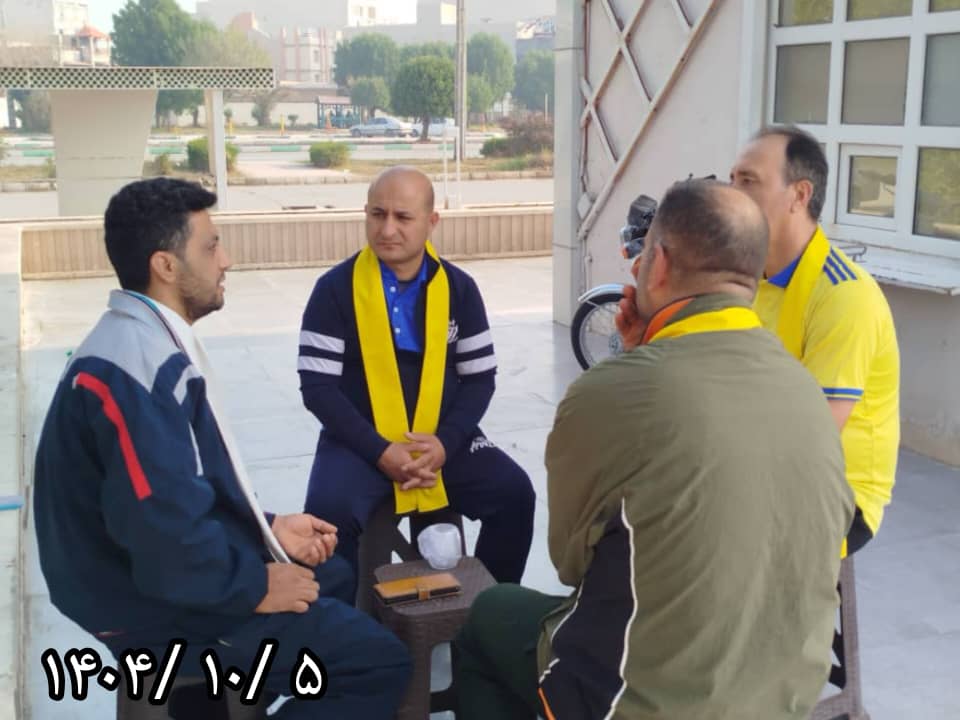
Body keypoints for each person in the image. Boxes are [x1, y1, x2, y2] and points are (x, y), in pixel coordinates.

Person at [454, 180, 854, 720]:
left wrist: (634, 361)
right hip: (784, 696)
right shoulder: (805, 388)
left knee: (488, 617)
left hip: (641, 703)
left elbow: (571, 563)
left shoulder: (610, 392)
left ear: (657, 263)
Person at [33, 178, 411, 718]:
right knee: (377, 663)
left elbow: (179, 490)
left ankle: (224, 701)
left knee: (331, 574)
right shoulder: (134, 372)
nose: (226, 259)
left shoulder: (143, 337)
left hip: (149, 566)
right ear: (166, 266)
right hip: (140, 601)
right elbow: (162, 537)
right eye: (211, 247)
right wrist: (255, 585)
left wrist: (267, 528)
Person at [298, 166, 535, 587]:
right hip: (359, 442)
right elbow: (318, 389)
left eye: (403, 217)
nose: (387, 229)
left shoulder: (459, 289)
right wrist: (379, 451)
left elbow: (479, 379)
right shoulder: (334, 289)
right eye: (377, 214)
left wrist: (446, 442)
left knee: (515, 494)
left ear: (431, 221)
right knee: (326, 519)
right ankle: (344, 623)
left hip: (441, 441)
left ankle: (490, 609)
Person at [731, 126, 900, 554]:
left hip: (835, 495)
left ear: (799, 195)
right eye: (732, 179)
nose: (732, 195)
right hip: (761, 465)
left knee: (694, 535)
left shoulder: (844, 296)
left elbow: (811, 438)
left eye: (748, 181)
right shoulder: (748, 277)